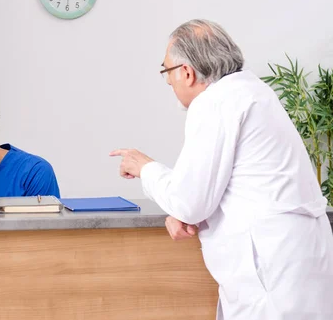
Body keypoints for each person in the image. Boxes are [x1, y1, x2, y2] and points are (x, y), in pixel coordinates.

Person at [110, 19, 333, 320]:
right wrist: (187, 211)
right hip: (295, 255)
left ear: (186, 72)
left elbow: (191, 201)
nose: (169, 84)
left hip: (271, 265)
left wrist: (145, 168)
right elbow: (225, 185)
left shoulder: (215, 102)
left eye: (167, 74)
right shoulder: (252, 90)